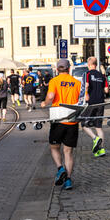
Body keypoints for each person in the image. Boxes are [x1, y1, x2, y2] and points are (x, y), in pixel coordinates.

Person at [41, 59, 81, 191]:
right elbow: (84, 99)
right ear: (69, 69)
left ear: (57, 69)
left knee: (54, 147)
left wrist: (44, 103)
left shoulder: (54, 81)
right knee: (68, 152)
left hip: (58, 119)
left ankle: (60, 168)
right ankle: (68, 180)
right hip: (72, 118)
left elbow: (51, 96)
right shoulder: (77, 82)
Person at [82, 57, 109, 158]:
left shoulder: (87, 74)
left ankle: (95, 138)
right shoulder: (102, 76)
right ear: (96, 65)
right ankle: (101, 149)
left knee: (84, 124)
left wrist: (86, 94)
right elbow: (106, 90)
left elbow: (87, 85)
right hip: (101, 103)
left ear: (89, 65)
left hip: (91, 103)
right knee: (99, 127)